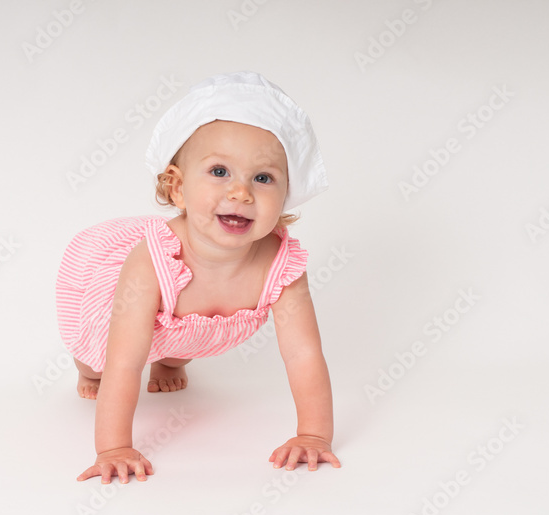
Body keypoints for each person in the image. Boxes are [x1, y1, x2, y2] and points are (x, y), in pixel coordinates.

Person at [56, 71, 340, 484]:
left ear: (285, 198)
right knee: (102, 358)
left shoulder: (282, 265)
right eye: (219, 171)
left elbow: (303, 354)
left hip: (190, 331)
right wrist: (113, 448)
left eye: (263, 178)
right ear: (177, 189)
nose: (241, 192)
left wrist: (313, 434)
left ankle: (169, 362)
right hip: (121, 315)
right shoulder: (152, 261)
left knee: (177, 347)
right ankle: (86, 371)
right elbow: (125, 362)